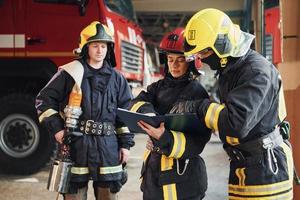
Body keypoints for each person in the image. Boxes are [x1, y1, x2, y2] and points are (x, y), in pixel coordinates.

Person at [181, 8, 294, 199]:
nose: (201, 58)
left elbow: (235, 124)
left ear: (223, 44)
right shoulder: (233, 70)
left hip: (266, 172)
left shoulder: (255, 71)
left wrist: (201, 107)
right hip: (245, 164)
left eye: (204, 52)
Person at [36, 21, 134, 200]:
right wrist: (57, 130)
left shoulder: (117, 79)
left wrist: (126, 145)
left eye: (103, 46)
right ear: (85, 48)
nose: (100, 50)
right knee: (74, 194)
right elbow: (44, 100)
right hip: (76, 145)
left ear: (108, 48)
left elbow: (125, 115)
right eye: (95, 45)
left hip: (108, 148)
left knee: (109, 195)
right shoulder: (70, 73)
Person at [129, 27, 211, 200]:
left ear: (191, 62)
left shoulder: (197, 93)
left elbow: (199, 141)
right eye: (170, 59)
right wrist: (151, 118)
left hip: (184, 179)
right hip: (153, 174)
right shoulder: (157, 87)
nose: (174, 65)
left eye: (180, 60)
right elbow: (136, 103)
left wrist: (165, 137)